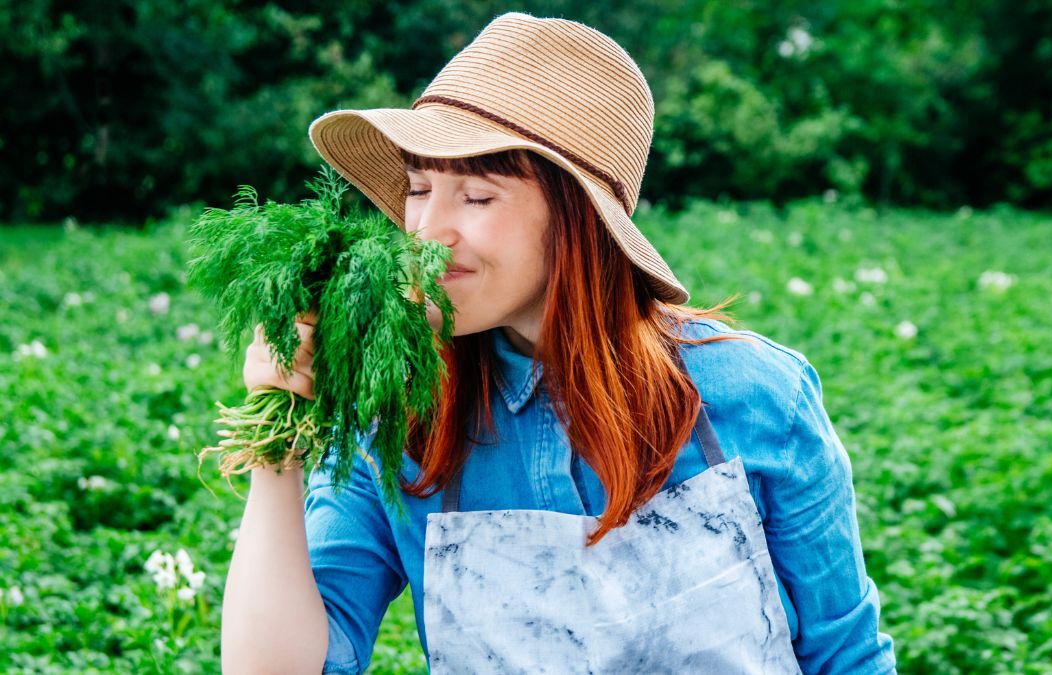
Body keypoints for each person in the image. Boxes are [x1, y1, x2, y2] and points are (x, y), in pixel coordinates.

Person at [220, 12, 896, 675]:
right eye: (421, 189)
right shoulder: (393, 411)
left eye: (478, 197)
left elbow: (848, 656)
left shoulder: (754, 394)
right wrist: (278, 448)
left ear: (578, 221)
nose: (428, 230)